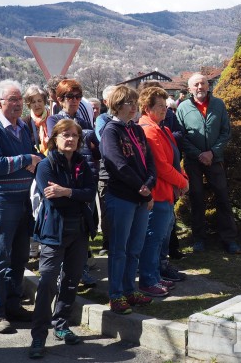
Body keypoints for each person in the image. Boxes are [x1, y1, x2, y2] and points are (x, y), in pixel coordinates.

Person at [0, 79, 42, 333]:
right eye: (12, 100)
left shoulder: (23, 128)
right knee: (0, 258)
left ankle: (13, 305)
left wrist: (34, 160)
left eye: (19, 100)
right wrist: (26, 159)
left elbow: (31, 159)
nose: (17, 105)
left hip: (24, 199)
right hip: (2, 201)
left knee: (19, 257)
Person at [28, 119, 97, 358]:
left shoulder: (82, 164)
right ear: (55, 138)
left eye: (75, 136)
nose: (70, 139)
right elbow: (52, 199)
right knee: (47, 282)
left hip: (78, 231)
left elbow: (89, 192)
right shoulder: (46, 165)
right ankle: (38, 336)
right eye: (65, 135)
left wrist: (67, 191)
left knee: (71, 279)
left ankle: (61, 325)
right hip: (53, 232)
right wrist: (73, 194)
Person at [100, 85, 156, 314]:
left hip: (141, 197)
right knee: (119, 248)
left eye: (135, 103)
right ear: (117, 105)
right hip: (122, 196)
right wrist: (141, 187)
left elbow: (149, 161)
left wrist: (149, 184)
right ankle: (116, 295)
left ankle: (129, 289)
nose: (134, 107)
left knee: (135, 248)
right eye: (128, 103)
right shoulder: (110, 130)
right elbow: (117, 164)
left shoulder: (137, 130)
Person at [175, 73, 240, 254]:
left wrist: (212, 152)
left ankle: (229, 239)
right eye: (195, 85)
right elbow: (182, 136)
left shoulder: (218, 104)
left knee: (223, 197)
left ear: (208, 86)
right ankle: (199, 239)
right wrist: (199, 155)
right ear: (189, 89)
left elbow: (226, 132)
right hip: (193, 162)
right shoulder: (183, 108)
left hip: (215, 159)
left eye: (202, 84)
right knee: (196, 198)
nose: (200, 87)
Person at [46, 79, 100, 288]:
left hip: (86, 174)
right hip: (66, 177)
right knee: (67, 226)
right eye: (70, 97)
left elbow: (94, 149)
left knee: (85, 224)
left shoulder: (84, 119)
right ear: (60, 100)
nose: (75, 101)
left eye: (78, 97)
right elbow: (57, 147)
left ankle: (81, 268)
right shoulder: (54, 119)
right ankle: (63, 273)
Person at [138, 87, 189, 297]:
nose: (165, 110)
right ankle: (149, 279)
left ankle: (156, 276)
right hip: (158, 194)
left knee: (161, 238)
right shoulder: (149, 130)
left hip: (167, 192)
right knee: (153, 238)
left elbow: (174, 161)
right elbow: (161, 166)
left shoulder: (161, 128)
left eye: (165, 106)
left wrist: (182, 178)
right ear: (147, 108)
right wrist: (183, 182)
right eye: (160, 106)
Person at [23, 85, 50, 259]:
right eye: (33, 102)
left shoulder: (52, 120)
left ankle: (46, 242)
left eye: (40, 101)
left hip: (48, 167)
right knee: (33, 206)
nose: (37, 105)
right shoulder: (25, 122)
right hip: (32, 168)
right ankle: (34, 243)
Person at [94, 85, 116, 256]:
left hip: (125, 174)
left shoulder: (131, 119)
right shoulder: (102, 119)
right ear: (106, 101)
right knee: (107, 210)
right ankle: (108, 243)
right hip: (107, 172)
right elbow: (105, 142)